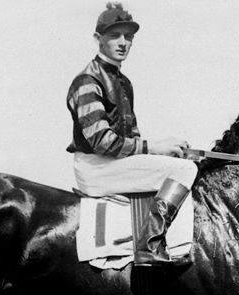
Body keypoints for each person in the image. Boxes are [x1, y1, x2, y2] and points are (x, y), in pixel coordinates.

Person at [66, 2, 198, 266]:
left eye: (129, 37)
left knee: (184, 163)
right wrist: (156, 148)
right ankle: (150, 247)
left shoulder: (124, 83)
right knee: (185, 171)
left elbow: (133, 138)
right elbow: (102, 142)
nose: (123, 42)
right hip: (96, 167)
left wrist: (164, 149)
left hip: (112, 163)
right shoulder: (88, 81)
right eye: (114, 35)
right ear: (98, 39)